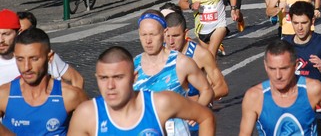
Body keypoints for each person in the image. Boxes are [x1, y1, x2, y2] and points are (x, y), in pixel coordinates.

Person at [67, 46, 216, 136]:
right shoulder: (87, 114)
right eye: (103, 78)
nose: (110, 86)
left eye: (118, 77)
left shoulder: (160, 103)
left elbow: (206, 117)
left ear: (134, 78)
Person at [239, 40, 321, 136]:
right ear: (265, 65)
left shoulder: (313, 89)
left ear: (296, 65)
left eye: (284, 68)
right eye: (272, 69)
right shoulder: (254, 97)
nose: (278, 75)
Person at [0, 28, 88, 135]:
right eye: (20, 59)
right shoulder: (4, 95)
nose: (26, 67)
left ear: (49, 57)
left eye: (34, 59)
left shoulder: (71, 96)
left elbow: (94, 128)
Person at [162, 6, 228, 100]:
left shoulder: (200, 54)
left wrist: (199, 100)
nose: (171, 41)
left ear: (186, 33)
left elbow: (222, 88)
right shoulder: (160, 52)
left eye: (176, 36)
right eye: (167, 36)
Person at [15, 11, 85, 89]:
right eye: (17, 31)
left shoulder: (47, 56)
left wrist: (76, 99)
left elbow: (77, 79)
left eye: (25, 32)